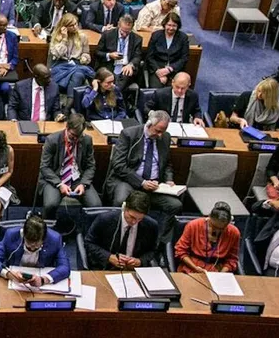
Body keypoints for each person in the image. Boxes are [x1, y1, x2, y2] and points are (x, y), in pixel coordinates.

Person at [106, 109, 182, 241]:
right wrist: (141, 182)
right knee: (121, 200)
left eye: (163, 131)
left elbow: (167, 164)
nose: (160, 135)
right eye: (158, 131)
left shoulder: (165, 137)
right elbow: (118, 165)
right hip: (129, 182)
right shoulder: (129, 134)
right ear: (149, 124)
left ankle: (160, 242)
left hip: (154, 186)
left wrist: (169, 180)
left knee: (175, 205)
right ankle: (117, 237)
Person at [40, 113, 101, 219]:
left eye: (78, 136)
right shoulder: (52, 140)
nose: (75, 139)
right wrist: (59, 184)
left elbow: (91, 166)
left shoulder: (87, 140)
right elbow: (44, 167)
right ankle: (47, 226)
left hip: (78, 179)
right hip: (56, 178)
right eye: (73, 135)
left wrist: (83, 184)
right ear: (67, 127)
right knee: (50, 205)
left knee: (96, 205)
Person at [84, 190, 161, 270]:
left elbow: (153, 250)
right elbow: (89, 243)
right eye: (132, 217)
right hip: (105, 268)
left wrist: (140, 261)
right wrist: (108, 257)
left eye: (139, 219)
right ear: (125, 208)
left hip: (134, 270)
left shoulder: (151, 225)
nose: (134, 222)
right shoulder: (104, 220)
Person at [0, 213, 69, 286]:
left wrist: (43, 279)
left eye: (36, 245)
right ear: (23, 235)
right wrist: (9, 274)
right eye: (29, 244)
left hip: (41, 280)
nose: (32, 248)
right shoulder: (11, 235)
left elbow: (65, 267)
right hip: (15, 282)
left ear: (44, 239)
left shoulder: (55, 239)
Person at [174, 203, 241, 273]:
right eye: (214, 227)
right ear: (209, 218)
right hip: (192, 268)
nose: (217, 231)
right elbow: (180, 251)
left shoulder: (234, 232)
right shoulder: (193, 226)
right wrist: (195, 268)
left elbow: (232, 259)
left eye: (222, 229)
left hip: (217, 270)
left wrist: (222, 273)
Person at [47, 13, 93, 98]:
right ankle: (70, 101)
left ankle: (69, 102)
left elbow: (86, 53)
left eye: (76, 24)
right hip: (61, 65)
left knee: (78, 75)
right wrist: (64, 39)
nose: (75, 27)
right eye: (71, 25)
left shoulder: (82, 37)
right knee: (80, 74)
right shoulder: (56, 37)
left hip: (77, 64)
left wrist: (84, 57)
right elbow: (58, 54)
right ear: (64, 27)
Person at [144, 13, 189, 88]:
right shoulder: (156, 35)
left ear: (178, 26)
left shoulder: (183, 38)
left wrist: (169, 69)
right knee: (156, 89)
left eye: (174, 26)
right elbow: (149, 57)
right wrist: (159, 72)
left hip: (174, 70)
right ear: (164, 24)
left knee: (176, 88)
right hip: (157, 68)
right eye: (169, 25)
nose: (171, 28)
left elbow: (184, 58)